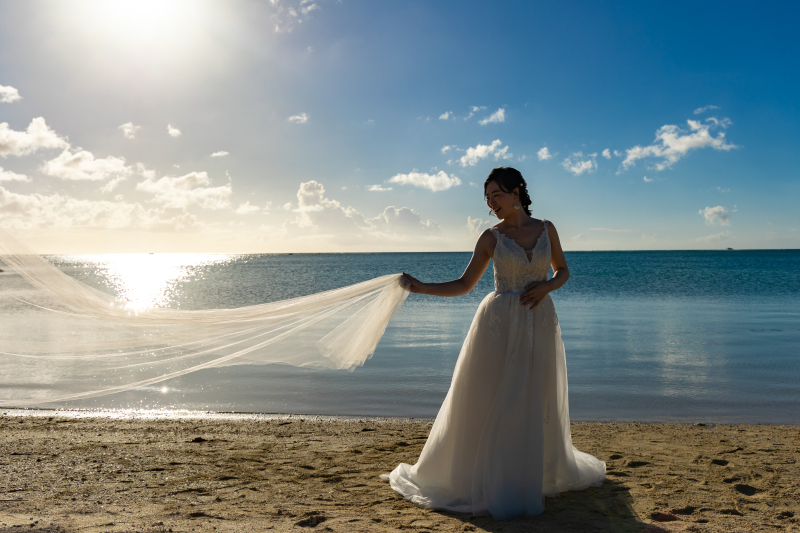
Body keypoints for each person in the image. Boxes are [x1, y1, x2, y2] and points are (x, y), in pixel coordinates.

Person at [385, 166, 606, 520]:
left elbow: (562, 270)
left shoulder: (547, 229)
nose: (491, 204)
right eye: (487, 198)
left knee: (534, 395)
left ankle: (527, 473)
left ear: (516, 191)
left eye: (496, 195)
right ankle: (490, 477)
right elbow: (464, 284)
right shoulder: (491, 237)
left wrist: (548, 286)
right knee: (495, 397)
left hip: (540, 319)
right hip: (500, 322)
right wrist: (422, 287)